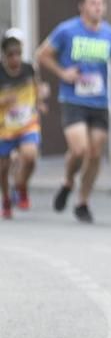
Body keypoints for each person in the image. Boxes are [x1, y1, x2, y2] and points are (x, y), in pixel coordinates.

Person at [36, 0, 111, 224]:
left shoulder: (110, 35)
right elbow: (42, 54)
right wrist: (63, 72)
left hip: (99, 101)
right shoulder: (67, 30)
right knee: (79, 149)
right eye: (93, 3)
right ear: (82, 6)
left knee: (95, 153)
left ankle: (83, 201)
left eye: (101, 3)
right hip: (73, 99)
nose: (98, 7)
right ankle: (68, 181)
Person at [0, 29, 48, 219]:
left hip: (27, 123)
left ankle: (21, 186)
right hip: (4, 128)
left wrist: (40, 102)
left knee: (30, 156)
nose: (16, 59)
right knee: (3, 168)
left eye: (18, 54)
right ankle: (6, 199)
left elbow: (37, 87)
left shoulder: (29, 69)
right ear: (4, 55)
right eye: (11, 55)